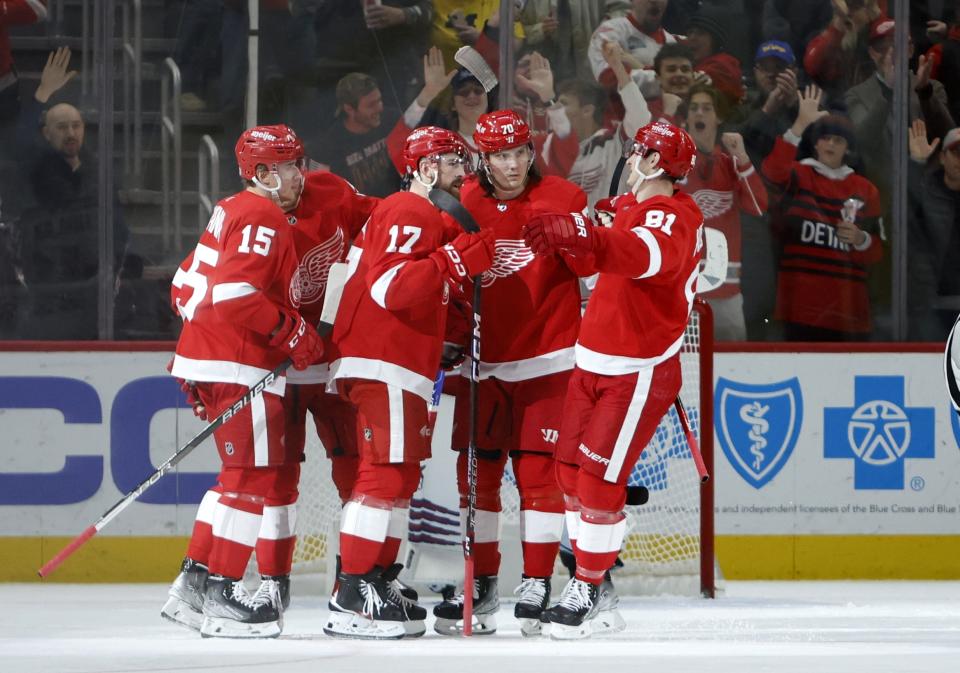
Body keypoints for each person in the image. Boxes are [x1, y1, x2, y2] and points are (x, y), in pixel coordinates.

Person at [520, 120, 703, 639]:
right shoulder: (629, 209)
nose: (629, 159)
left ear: (656, 163)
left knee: (598, 484)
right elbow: (595, 254)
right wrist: (570, 235)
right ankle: (598, 589)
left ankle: (586, 587)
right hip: (593, 359)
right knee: (569, 475)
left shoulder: (673, 215)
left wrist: (581, 233)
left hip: (637, 369)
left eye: (639, 151)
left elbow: (638, 255)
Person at [324, 126, 494, 639]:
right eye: (450, 161)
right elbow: (391, 287)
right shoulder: (411, 209)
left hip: (396, 363)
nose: (462, 171)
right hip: (385, 363)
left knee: (396, 479)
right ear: (423, 169)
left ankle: (375, 577)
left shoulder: (421, 216)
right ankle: (353, 593)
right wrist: (457, 259)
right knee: (383, 477)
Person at [432, 109, 590, 637]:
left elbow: (592, 264)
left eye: (521, 151)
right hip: (482, 364)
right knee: (474, 477)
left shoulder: (564, 199)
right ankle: (481, 582)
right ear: (483, 157)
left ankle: (538, 580)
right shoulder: (462, 201)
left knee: (538, 474)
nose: (515, 163)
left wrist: (579, 235)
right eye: (502, 155)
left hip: (547, 360)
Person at [161, 125, 324, 639]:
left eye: (298, 162)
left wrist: (196, 358)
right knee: (252, 481)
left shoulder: (230, 208)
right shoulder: (263, 215)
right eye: (290, 165)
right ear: (262, 174)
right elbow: (233, 294)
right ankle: (224, 594)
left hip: (214, 359)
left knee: (236, 478)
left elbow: (184, 286)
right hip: (239, 362)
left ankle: (194, 586)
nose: (300, 174)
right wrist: (292, 331)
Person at [761, 86, 883, 341]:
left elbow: (878, 250)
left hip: (847, 311)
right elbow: (772, 173)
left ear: (847, 148)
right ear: (815, 142)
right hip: (800, 308)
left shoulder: (865, 190)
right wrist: (799, 126)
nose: (830, 143)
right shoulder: (798, 174)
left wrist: (861, 239)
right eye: (825, 137)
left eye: (838, 140)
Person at [680, 84, 767, 340]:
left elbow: (758, 206)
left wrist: (741, 156)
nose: (700, 114)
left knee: (732, 367)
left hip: (726, 293)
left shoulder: (730, 164)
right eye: (694, 108)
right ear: (686, 117)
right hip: (684, 292)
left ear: (718, 117)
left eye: (707, 108)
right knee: (687, 371)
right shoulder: (674, 166)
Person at [561, 40, 651, 208]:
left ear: (587, 110)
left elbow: (641, 119)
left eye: (564, 103)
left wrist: (617, 67)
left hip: (613, 230)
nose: (557, 109)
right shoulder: (558, 151)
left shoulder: (614, 142)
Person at [306, 72, 401, 197]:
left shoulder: (392, 120)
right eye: (371, 105)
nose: (380, 108)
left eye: (379, 100)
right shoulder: (327, 148)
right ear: (349, 109)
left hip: (400, 201)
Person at [907, 122, 960, 340]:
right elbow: (901, 215)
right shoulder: (925, 192)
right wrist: (917, 163)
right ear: (942, 157)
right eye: (956, 153)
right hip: (931, 304)